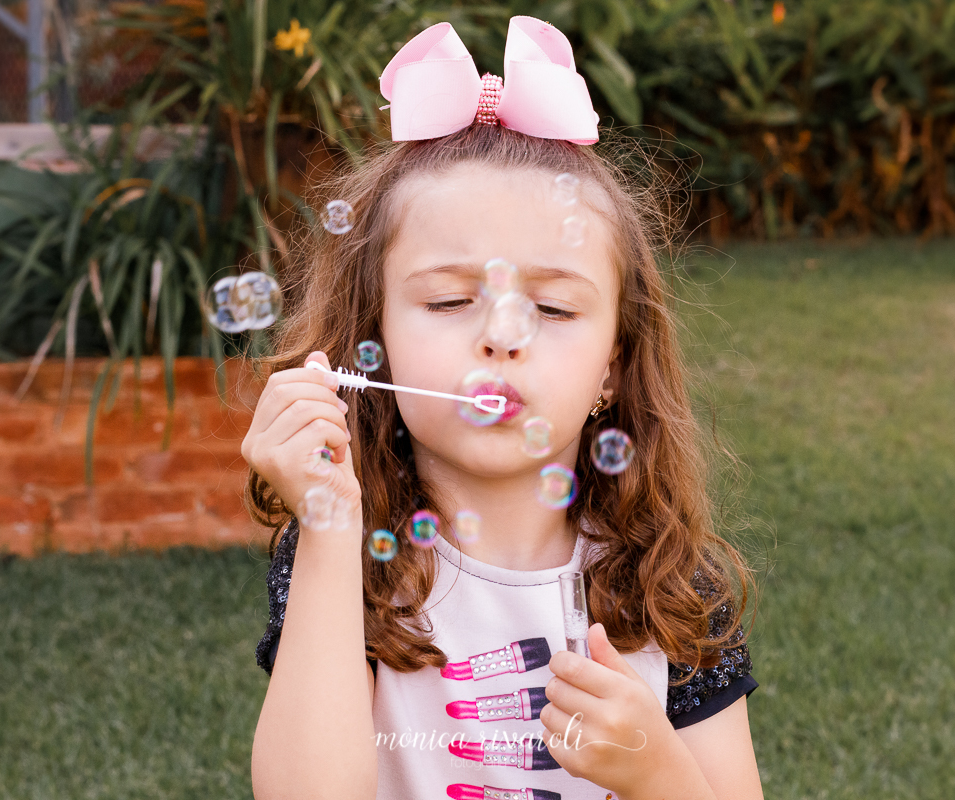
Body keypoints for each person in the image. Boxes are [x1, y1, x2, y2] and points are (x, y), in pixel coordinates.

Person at [243, 16, 762, 800]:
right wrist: (325, 523)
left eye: (553, 310)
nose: (502, 337)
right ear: (369, 339)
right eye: (450, 299)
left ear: (613, 370)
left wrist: (659, 773)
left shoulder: (671, 584)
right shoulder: (349, 564)